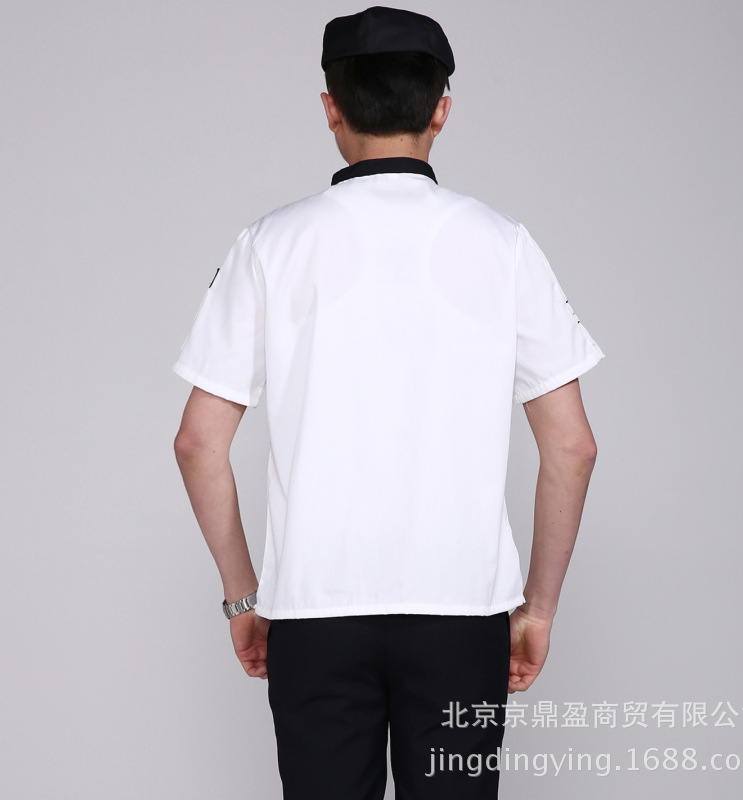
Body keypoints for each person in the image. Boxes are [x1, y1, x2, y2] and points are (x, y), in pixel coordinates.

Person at [173, 6, 603, 799]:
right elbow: (572, 447)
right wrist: (537, 608)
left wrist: (244, 597)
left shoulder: (270, 245)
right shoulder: (503, 243)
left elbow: (199, 443)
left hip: (315, 612)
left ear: (330, 107)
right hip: (462, 612)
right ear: (442, 110)